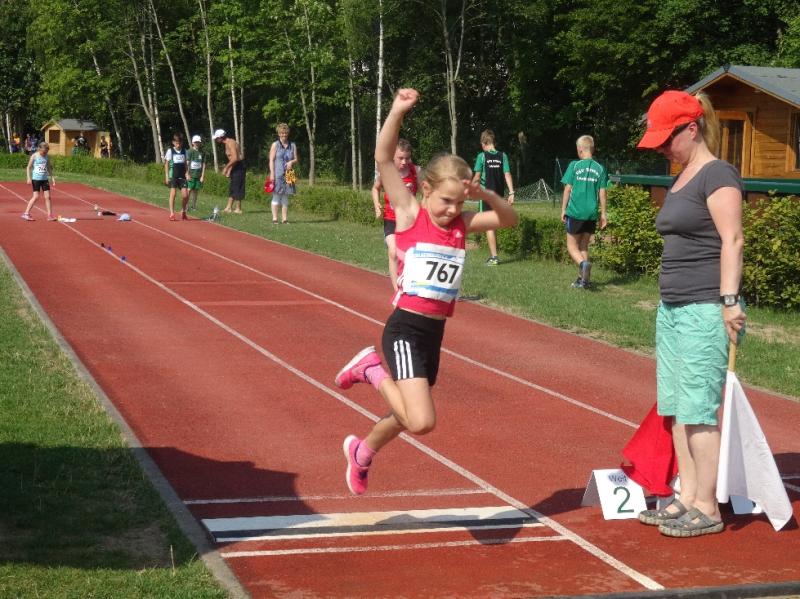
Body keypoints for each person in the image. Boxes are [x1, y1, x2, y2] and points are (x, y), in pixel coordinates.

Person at [334, 89, 518, 496]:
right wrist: (397, 111)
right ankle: (370, 369)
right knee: (421, 421)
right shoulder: (410, 213)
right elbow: (383, 158)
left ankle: (362, 453)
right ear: (426, 189)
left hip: (434, 334)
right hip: (405, 329)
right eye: (445, 201)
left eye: (458, 202)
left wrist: (486, 195)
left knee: (407, 415)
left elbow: (509, 220)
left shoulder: (462, 224)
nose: (451, 210)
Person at [635, 90, 746, 537]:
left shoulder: (718, 174)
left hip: (705, 307)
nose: (663, 149)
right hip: (673, 308)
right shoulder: (682, 177)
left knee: (699, 409)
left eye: (667, 139)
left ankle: (708, 506)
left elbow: (732, 240)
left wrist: (729, 301)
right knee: (678, 408)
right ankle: (687, 496)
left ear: (692, 129)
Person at [371, 138, 421, 289]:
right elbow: (375, 188)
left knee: (410, 255)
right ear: (393, 156)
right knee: (393, 252)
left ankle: (409, 282)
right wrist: (377, 205)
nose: (404, 162)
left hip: (410, 221)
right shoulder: (387, 172)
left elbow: (426, 190)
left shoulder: (415, 171)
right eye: (400, 158)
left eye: (407, 158)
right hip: (391, 220)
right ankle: (396, 289)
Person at [560, 135, 608, 288]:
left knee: (572, 246)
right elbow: (602, 192)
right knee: (583, 246)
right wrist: (603, 214)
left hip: (575, 212)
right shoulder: (600, 168)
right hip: (591, 214)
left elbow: (567, 189)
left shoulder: (574, 165)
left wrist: (563, 209)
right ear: (592, 149)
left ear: (580, 149)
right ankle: (584, 281)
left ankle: (583, 264)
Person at [471, 129, 515, 265]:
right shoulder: (503, 155)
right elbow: (507, 174)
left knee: (488, 225)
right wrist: (511, 192)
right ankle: (494, 255)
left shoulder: (482, 156)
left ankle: (494, 257)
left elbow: (477, 177)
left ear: (484, 143)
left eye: (482, 144)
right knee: (492, 224)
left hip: (486, 195)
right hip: (498, 196)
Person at [267, 123, 299, 224]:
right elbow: (271, 160)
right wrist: (272, 174)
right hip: (278, 173)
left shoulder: (292, 145)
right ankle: (275, 218)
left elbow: (296, 159)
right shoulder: (275, 145)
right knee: (276, 195)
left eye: (285, 133)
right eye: (282, 133)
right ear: (279, 133)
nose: (284, 135)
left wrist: (291, 162)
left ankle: (284, 219)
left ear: (288, 133)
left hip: (289, 173)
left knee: (286, 196)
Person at [21, 142, 56, 221]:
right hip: (36, 179)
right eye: (43, 152)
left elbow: (49, 167)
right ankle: (26, 213)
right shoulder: (34, 156)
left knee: (48, 197)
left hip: (44, 179)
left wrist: (52, 177)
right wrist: (28, 178)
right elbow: (28, 167)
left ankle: (50, 215)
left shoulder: (46, 156)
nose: (45, 153)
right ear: (39, 149)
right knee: (36, 196)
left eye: (46, 152)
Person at [214, 129, 245, 213]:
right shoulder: (227, 143)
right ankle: (229, 207)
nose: (216, 140)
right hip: (235, 165)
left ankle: (238, 208)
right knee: (233, 186)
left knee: (237, 186)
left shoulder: (230, 142)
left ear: (220, 137)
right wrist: (229, 170)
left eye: (216, 138)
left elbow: (235, 158)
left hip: (239, 166)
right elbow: (232, 159)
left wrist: (226, 168)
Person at [163, 132, 190, 221]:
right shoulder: (170, 151)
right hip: (173, 176)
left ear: (182, 142)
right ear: (173, 142)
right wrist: (167, 176)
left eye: (180, 143)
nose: (178, 145)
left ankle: (183, 211)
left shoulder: (185, 151)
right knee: (173, 194)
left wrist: (187, 173)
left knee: (185, 195)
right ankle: (172, 213)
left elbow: (185, 164)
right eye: (177, 143)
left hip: (182, 176)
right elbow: (166, 164)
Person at [187, 134, 207, 210]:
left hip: (198, 175)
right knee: (189, 190)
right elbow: (187, 163)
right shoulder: (190, 151)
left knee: (196, 191)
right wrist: (187, 174)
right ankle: (186, 205)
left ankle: (194, 206)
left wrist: (202, 176)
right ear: (193, 143)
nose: (197, 143)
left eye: (198, 142)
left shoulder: (202, 153)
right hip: (191, 175)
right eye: (196, 142)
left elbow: (203, 164)